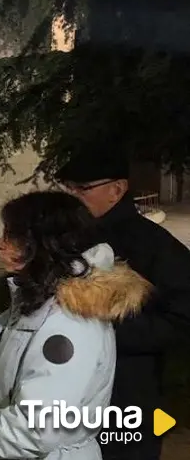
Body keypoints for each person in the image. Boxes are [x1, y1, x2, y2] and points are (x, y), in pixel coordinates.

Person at [0, 190, 153, 459]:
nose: (0, 244)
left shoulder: (69, 325)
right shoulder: (39, 305)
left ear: (42, 244)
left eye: (10, 235)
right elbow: (17, 380)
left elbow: (35, 428)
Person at [54, 148, 190, 459]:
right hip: (63, 391)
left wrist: (108, 338)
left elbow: (182, 318)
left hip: (127, 393)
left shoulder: (153, 244)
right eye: (68, 188)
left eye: (83, 189)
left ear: (117, 189)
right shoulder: (64, 239)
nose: (73, 197)